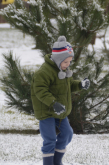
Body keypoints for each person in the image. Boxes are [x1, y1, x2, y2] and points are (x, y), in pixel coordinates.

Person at [31, 36, 90, 165]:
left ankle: (57, 161)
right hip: (46, 110)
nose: (68, 64)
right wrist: (53, 103)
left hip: (59, 110)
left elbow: (69, 86)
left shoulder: (63, 70)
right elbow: (40, 90)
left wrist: (80, 84)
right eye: (65, 62)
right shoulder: (44, 72)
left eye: (69, 61)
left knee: (68, 134)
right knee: (50, 139)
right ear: (58, 60)